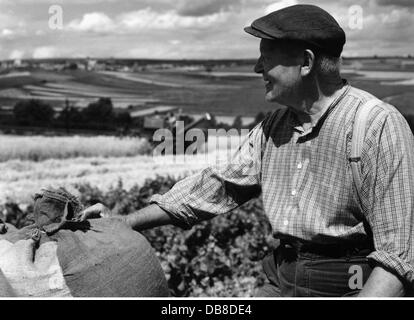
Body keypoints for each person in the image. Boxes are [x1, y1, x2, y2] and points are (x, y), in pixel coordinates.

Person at [81, 4, 414, 297]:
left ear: (306, 62)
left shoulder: (376, 126)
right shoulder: (273, 128)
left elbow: (398, 257)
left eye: (265, 57)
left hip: (349, 287)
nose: (257, 68)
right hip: (280, 282)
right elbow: (216, 186)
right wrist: (125, 221)